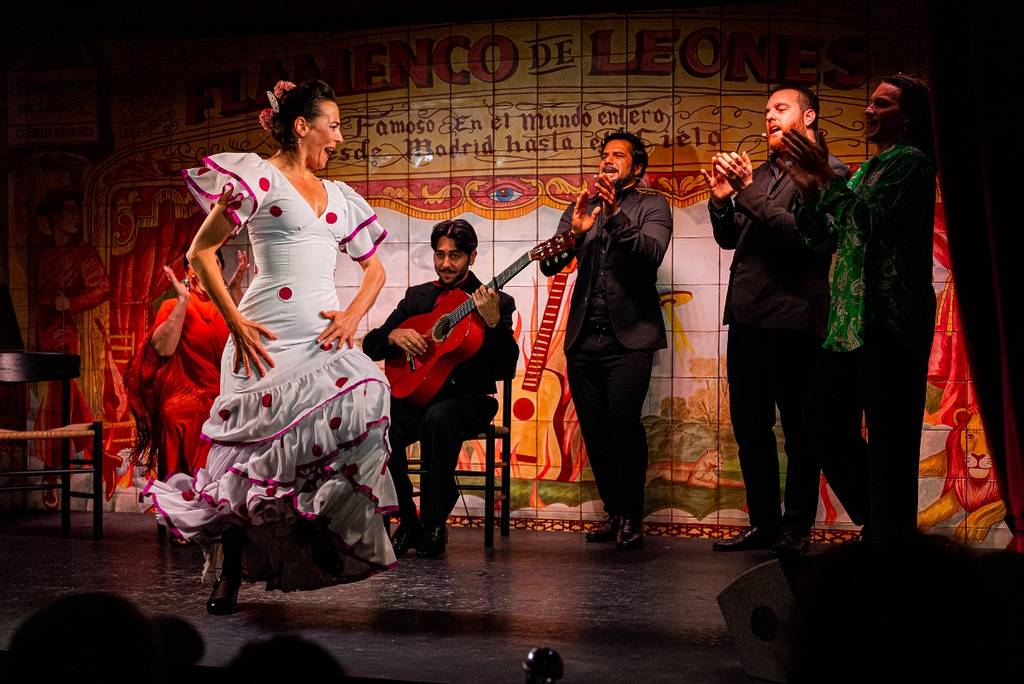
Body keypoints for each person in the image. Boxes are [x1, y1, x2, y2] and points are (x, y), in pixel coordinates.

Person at [142, 79, 397, 615]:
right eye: (333, 125)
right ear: (302, 126)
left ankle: (319, 523)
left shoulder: (340, 196)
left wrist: (353, 315)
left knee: (369, 392)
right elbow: (201, 252)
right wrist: (235, 322)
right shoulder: (260, 178)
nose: (340, 138)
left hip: (322, 340)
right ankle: (229, 574)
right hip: (264, 339)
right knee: (249, 457)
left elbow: (375, 270)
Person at [779, 74, 936, 543]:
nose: (869, 110)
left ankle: (889, 535)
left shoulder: (912, 164)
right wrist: (809, 192)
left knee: (891, 437)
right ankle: (882, 520)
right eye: (870, 102)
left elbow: (870, 223)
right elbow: (823, 239)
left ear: (908, 118)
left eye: (882, 104)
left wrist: (826, 178)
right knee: (820, 417)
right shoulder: (867, 170)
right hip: (849, 322)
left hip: (890, 319)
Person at [704, 85, 850, 557]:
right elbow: (732, 238)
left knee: (799, 431)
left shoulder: (828, 171)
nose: (769, 117)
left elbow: (800, 234)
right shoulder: (762, 173)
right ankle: (764, 523)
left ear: (808, 117)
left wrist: (746, 192)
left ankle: (796, 527)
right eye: (766, 111)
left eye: (780, 109)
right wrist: (722, 200)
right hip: (747, 315)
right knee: (750, 428)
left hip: (794, 317)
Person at [539, 131, 672, 550]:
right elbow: (550, 264)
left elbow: (651, 253)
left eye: (618, 155)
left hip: (630, 340)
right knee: (595, 431)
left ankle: (632, 515)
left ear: (638, 166)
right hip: (584, 339)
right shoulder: (581, 206)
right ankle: (614, 511)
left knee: (623, 425)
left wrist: (614, 217)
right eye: (604, 155)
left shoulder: (653, 205)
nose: (608, 160)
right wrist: (575, 234)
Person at [363, 219, 519, 558]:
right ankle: (408, 520)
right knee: (379, 423)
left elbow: (506, 367)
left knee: (438, 418)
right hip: (419, 398)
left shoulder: (497, 301)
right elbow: (371, 345)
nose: (446, 263)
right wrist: (393, 336)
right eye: (440, 254)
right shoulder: (417, 297)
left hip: (470, 401)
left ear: (472, 257)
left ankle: (434, 522)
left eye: (455, 256)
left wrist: (493, 323)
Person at [127, 250, 246, 481]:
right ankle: (178, 489)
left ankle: (225, 491)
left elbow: (251, 343)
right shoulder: (172, 305)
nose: (204, 268)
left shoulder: (230, 306)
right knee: (175, 413)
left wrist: (234, 293)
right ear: (187, 272)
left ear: (220, 270)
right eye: (196, 264)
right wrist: (183, 301)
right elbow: (163, 349)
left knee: (242, 413)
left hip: (225, 393)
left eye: (213, 263)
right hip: (186, 392)